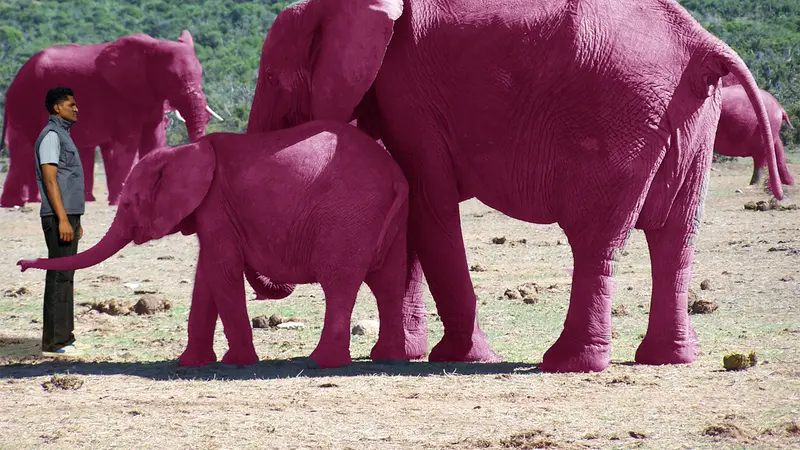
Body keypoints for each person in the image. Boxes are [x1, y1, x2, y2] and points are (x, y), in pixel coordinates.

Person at [34, 87, 85, 357]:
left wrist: (74, 220)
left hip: (67, 216)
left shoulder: (63, 135)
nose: (76, 108)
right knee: (59, 276)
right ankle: (55, 342)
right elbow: (50, 179)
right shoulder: (52, 136)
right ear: (56, 108)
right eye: (71, 104)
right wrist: (64, 219)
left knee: (66, 277)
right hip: (57, 217)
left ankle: (64, 338)